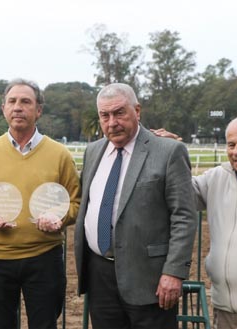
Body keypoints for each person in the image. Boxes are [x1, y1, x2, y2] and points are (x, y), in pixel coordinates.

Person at [74, 83, 197, 329]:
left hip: (150, 278)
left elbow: (183, 215)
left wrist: (173, 272)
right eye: (104, 116)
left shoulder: (169, 151)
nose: (112, 122)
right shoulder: (93, 151)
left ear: (137, 111)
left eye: (119, 112)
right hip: (100, 276)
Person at [0, 78, 81, 329]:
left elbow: (75, 202)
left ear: (38, 110)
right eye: (12, 101)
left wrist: (60, 219)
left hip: (44, 257)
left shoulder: (59, 154)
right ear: (4, 109)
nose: (18, 107)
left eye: (26, 101)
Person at [156, 115, 237, 329]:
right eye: (231, 145)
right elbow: (182, 193)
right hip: (223, 306)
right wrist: (171, 152)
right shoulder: (216, 177)